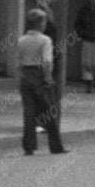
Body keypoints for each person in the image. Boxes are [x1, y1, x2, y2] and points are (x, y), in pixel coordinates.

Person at [17, 9, 68, 156]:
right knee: (49, 111)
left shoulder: (22, 40)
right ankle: (55, 146)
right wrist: (47, 77)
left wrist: (20, 77)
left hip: (26, 75)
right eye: (44, 21)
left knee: (28, 112)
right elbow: (47, 61)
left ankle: (29, 146)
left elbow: (19, 61)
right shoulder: (45, 40)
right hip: (39, 75)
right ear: (40, 23)